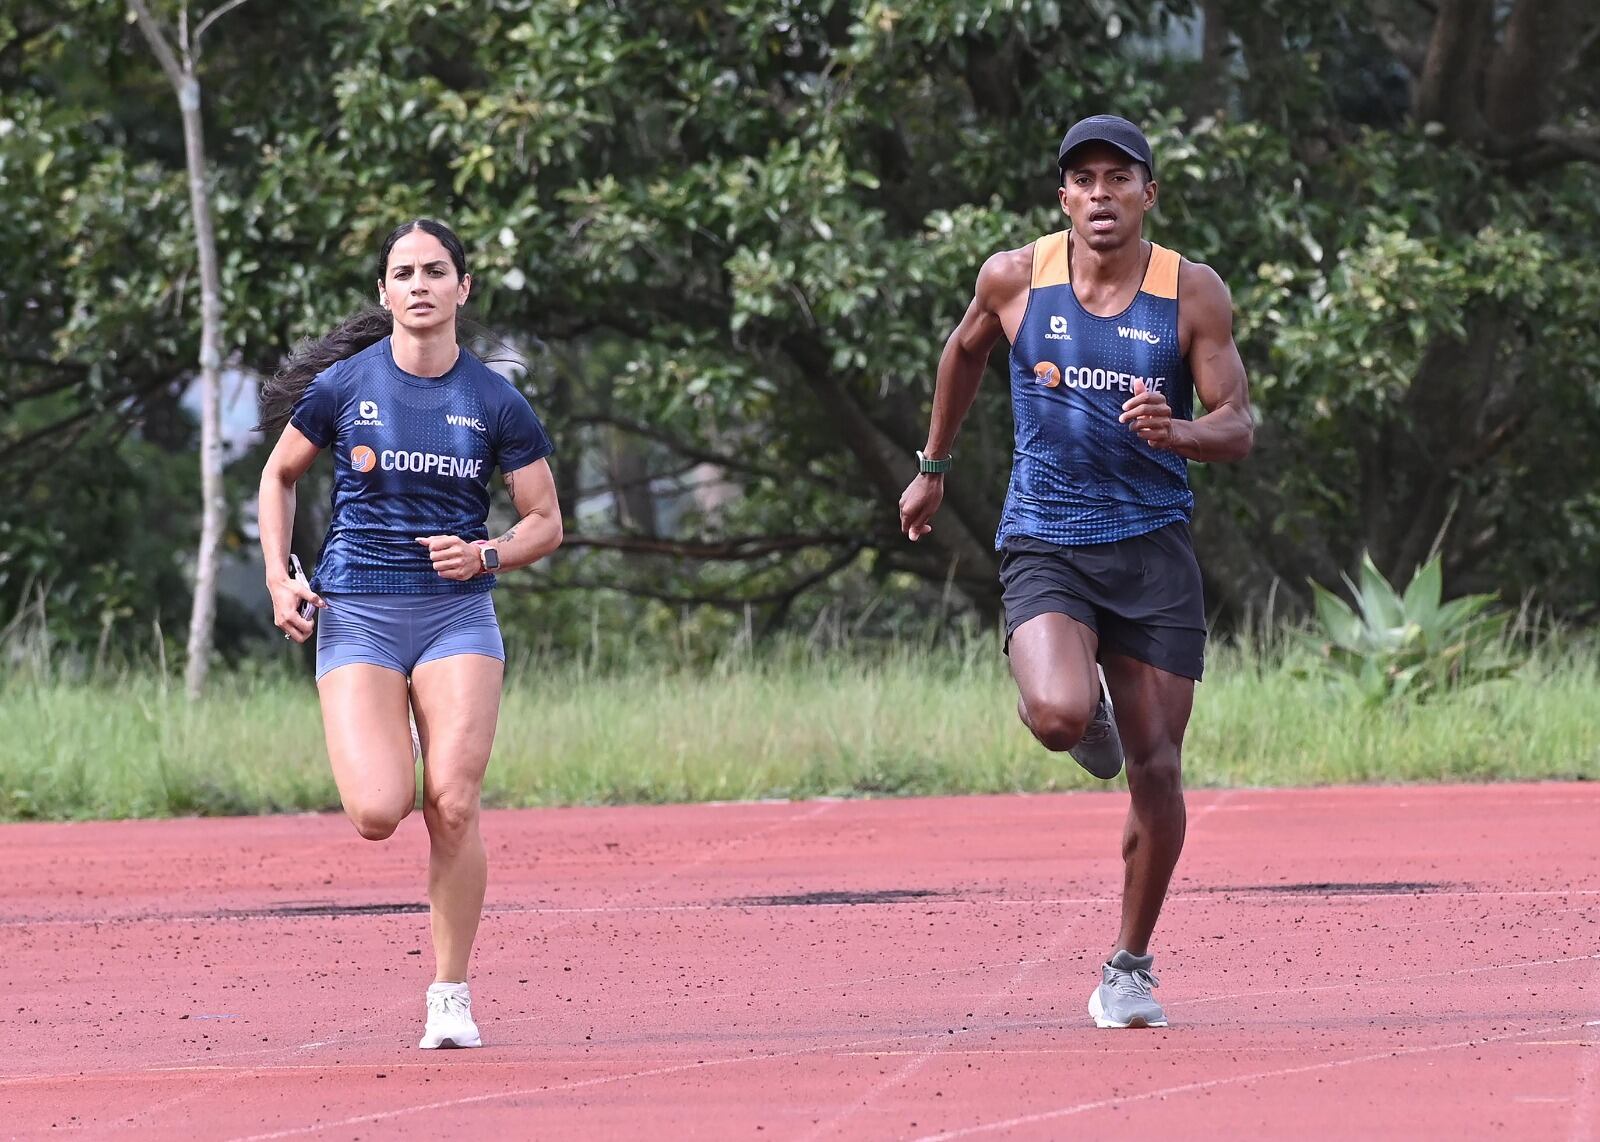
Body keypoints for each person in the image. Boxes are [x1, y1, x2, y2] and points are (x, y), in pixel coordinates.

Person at [897, 115, 1253, 1029]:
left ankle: (1128, 967)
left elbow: (1239, 425)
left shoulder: (1191, 293)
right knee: (1056, 714)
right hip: (1048, 538)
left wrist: (1179, 433)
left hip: (1153, 548)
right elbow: (964, 352)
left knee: (1159, 770)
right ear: (1063, 197)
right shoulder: (1015, 277)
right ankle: (1085, 710)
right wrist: (934, 468)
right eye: (1083, 180)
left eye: (1119, 179)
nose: (1101, 194)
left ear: (1148, 194)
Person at [257, 219, 563, 1049]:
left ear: (463, 288)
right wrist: (282, 577)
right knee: (377, 810)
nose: (420, 284)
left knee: (453, 804)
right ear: (385, 294)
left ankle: (450, 994)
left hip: (457, 614)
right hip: (357, 611)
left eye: (435, 271)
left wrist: (487, 553)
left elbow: (545, 522)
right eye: (404, 272)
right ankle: (388, 757)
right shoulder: (344, 387)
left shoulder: (495, 400)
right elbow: (279, 475)